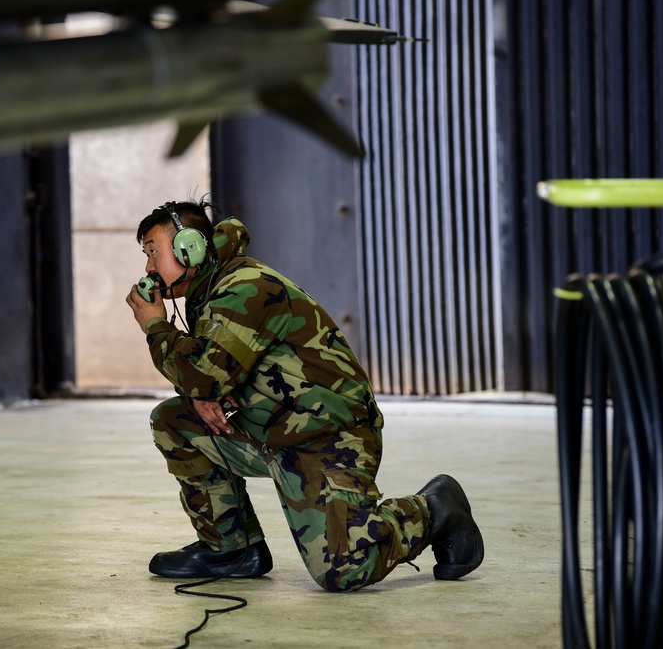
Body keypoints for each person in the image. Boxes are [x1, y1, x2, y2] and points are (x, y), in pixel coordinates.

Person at [124, 198, 484, 592]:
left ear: (188, 247)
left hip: (329, 438)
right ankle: (231, 548)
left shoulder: (244, 287)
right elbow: (205, 375)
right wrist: (199, 393)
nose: (148, 268)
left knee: (343, 570)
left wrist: (157, 327)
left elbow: (203, 374)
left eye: (154, 251)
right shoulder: (209, 293)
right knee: (174, 421)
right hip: (275, 435)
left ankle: (434, 508)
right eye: (145, 255)